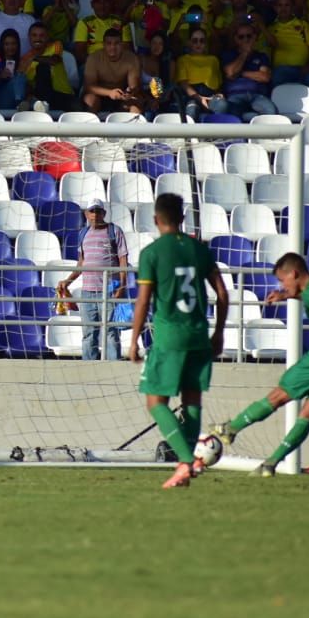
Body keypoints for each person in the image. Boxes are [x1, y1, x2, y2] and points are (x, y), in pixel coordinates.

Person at [211, 253, 309, 477]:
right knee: (307, 414)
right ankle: (270, 464)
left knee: (278, 395)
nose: (282, 285)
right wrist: (285, 295)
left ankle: (230, 429)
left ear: (294, 274)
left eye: (282, 280)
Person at [127, 193, 228, 489]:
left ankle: (186, 461)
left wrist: (133, 339)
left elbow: (143, 301)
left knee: (155, 401)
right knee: (192, 400)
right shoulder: (200, 249)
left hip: (169, 337)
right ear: (182, 218)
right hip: (199, 335)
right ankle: (190, 460)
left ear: (156, 219)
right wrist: (219, 332)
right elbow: (222, 293)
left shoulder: (152, 253)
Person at [57, 199, 128, 361]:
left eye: (98, 211)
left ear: (104, 213)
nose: (95, 214)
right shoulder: (83, 233)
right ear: (86, 214)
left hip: (109, 290)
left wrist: (122, 285)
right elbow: (81, 263)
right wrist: (68, 281)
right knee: (89, 333)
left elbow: (123, 259)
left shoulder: (114, 231)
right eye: (92, 211)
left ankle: (113, 366)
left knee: (111, 332)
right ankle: (89, 366)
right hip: (87, 291)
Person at [209, 22, 276, 121]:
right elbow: (231, 73)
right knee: (233, 117)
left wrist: (240, 73)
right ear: (236, 39)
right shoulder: (228, 55)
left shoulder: (261, 56)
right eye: (241, 37)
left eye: (249, 36)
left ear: (255, 37)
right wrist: (245, 53)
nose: (246, 39)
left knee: (271, 111)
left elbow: (264, 77)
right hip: (235, 95)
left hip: (257, 95)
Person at [82, 29, 143, 114]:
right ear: (104, 45)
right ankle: (91, 123)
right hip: (99, 95)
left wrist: (129, 92)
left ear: (122, 44)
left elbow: (134, 86)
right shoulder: (94, 58)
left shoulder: (131, 58)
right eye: (109, 43)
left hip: (122, 96)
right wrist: (109, 93)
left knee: (137, 101)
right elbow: (89, 87)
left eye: (116, 43)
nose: (113, 47)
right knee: (89, 99)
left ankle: (132, 123)